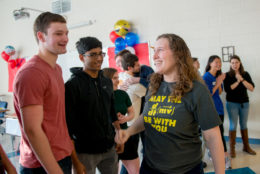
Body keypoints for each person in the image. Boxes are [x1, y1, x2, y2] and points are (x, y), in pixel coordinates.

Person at [115, 33, 225, 174]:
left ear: (178, 54)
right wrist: (128, 132)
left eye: (160, 50)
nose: (154, 56)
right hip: (150, 168)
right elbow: (146, 116)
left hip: (185, 170)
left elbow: (212, 137)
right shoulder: (154, 85)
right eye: (154, 51)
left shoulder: (196, 90)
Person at [13, 12, 74, 174]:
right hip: (41, 165)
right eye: (58, 34)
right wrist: (54, 170)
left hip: (61, 157)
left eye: (66, 33)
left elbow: (57, 120)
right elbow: (32, 129)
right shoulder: (32, 73)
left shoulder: (57, 69)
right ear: (41, 36)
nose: (65, 38)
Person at [65, 36, 123, 174]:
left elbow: (112, 111)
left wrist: (119, 134)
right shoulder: (72, 85)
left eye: (100, 53)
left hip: (109, 148)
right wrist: (75, 161)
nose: (99, 58)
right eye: (93, 54)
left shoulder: (106, 82)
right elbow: (67, 125)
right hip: (85, 152)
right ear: (81, 57)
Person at [103, 68, 139, 174]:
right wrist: (113, 119)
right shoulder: (100, 97)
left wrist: (125, 118)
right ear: (106, 79)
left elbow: (132, 113)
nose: (118, 80)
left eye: (118, 77)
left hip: (125, 135)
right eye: (115, 78)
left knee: (135, 171)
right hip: (109, 139)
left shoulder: (122, 94)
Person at [223, 55, 256, 158]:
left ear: (240, 63)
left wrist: (241, 79)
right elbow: (228, 89)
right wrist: (237, 81)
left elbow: (251, 88)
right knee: (233, 125)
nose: (234, 64)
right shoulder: (227, 75)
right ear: (230, 64)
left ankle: (246, 146)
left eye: (236, 62)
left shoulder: (245, 74)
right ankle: (232, 149)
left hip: (244, 104)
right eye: (232, 63)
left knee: (244, 125)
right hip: (232, 103)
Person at [203, 55, 231, 169]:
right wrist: (218, 82)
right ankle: (224, 158)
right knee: (217, 134)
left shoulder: (217, 76)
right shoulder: (206, 77)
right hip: (211, 109)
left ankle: (217, 154)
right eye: (216, 62)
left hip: (219, 108)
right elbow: (208, 94)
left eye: (220, 62)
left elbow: (219, 92)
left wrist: (219, 81)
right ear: (210, 63)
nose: (219, 64)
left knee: (219, 132)